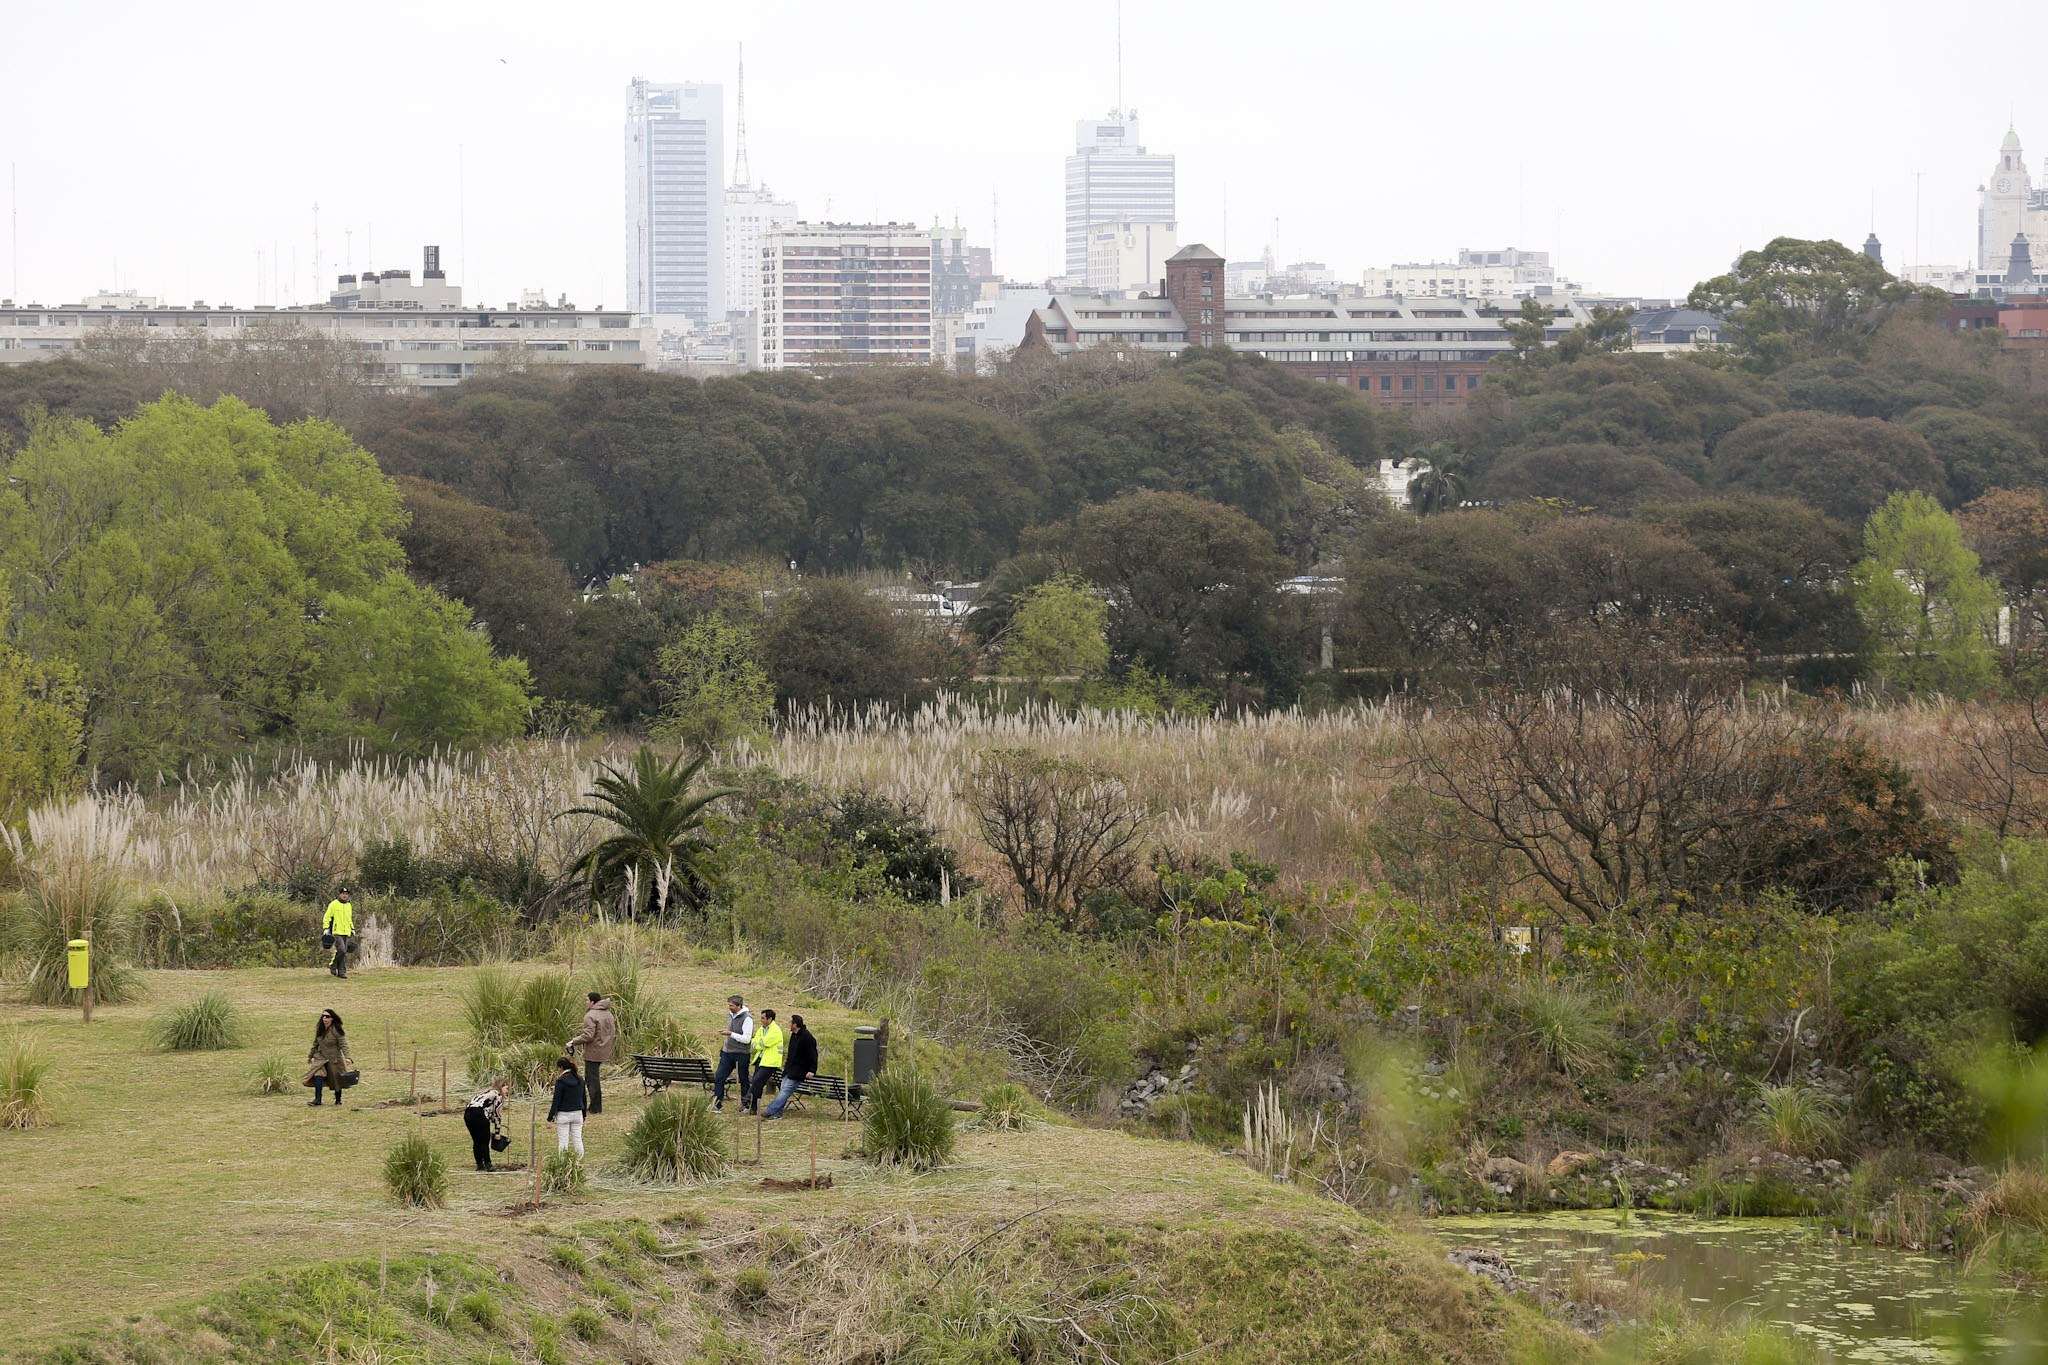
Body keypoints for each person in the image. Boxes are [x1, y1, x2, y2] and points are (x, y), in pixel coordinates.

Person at [564, 991, 617, 1116]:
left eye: (587, 1000)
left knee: (592, 1079)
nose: (586, 1002)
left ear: (592, 1002)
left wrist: (573, 1041)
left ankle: (595, 1107)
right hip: (604, 1049)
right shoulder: (608, 1014)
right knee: (594, 1078)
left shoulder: (591, 1015)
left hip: (593, 1051)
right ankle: (595, 1105)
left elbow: (588, 1036)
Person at [761, 1014, 817, 1120]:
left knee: (786, 1091)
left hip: (799, 1071)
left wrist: (812, 1070)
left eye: (790, 1022)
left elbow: (813, 1055)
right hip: (789, 1069)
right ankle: (777, 1114)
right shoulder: (794, 1035)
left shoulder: (807, 1037)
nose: (788, 1024)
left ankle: (770, 1110)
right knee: (783, 1090)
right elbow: (791, 1054)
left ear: (795, 1024)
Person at [713, 994, 753, 1111]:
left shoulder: (747, 1018)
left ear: (739, 1006)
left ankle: (745, 1104)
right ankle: (717, 1104)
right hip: (727, 1052)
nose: (729, 1007)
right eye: (729, 1005)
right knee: (719, 1076)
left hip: (741, 1053)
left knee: (743, 1079)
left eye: (731, 1005)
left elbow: (747, 1039)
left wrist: (730, 1034)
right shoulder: (730, 1015)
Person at [305, 1008, 351, 1107]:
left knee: (337, 1080)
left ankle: (338, 1100)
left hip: (334, 1059)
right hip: (320, 1058)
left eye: (327, 1017)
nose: (324, 1018)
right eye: (323, 1016)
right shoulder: (320, 1030)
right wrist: (310, 1056)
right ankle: (318, 1099)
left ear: (332, 1019)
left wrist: (347, 1057)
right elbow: (315, 1043)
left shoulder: (337, 1030)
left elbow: (344, 1045)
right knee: (318, 1075)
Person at [463, 1080, 510, 1171]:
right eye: (506, 1088)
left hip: (468, 1113)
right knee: (484, 1141)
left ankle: (480, 1165)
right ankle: (488, 1165)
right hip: (478, 1113)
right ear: (501, 1087)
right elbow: (497, 1114)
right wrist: (497, 1133)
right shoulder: (498, 1095)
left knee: (476, 1141)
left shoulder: (486, 1092)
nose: (507, 1091)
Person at [746, 1007, 785, 1115]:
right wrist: (759, 1043)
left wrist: (759, 1043)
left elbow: (764, 1043)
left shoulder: (776, 1030)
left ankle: (747, 1102)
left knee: (756, 1082)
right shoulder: (761, 1029)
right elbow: (754, 1043)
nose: (761, 1020)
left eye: (763, 1018)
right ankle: (753, 1107)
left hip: (770, 1062)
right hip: (760, 1060)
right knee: (756, 1084)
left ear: (770, 1019)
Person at [546, 1056, 587, 1157]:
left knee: (563, 1141)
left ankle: (563, 1164)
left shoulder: (561, 1081)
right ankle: (579, 1162)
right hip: (578, 1113)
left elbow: (556, 1100)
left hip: (563, 1115)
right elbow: (584, 1098)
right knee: (577, 1140)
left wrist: (550, 1117)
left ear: (560, 1068)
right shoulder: (580, 1079)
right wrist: (584, 1113)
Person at [322, 888, 355, 979]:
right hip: (336, 931)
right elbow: (327, 917)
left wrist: (352, 928)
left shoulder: (349, 905)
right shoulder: (333, 904)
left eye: (346, 894)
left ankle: (342, 972)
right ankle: (333, 964)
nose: (344, 895)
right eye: (343, 893)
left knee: (344, 953)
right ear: (339, 894)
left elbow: (349, 919)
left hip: (346, 932)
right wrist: (326, 928)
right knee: (342, 950)